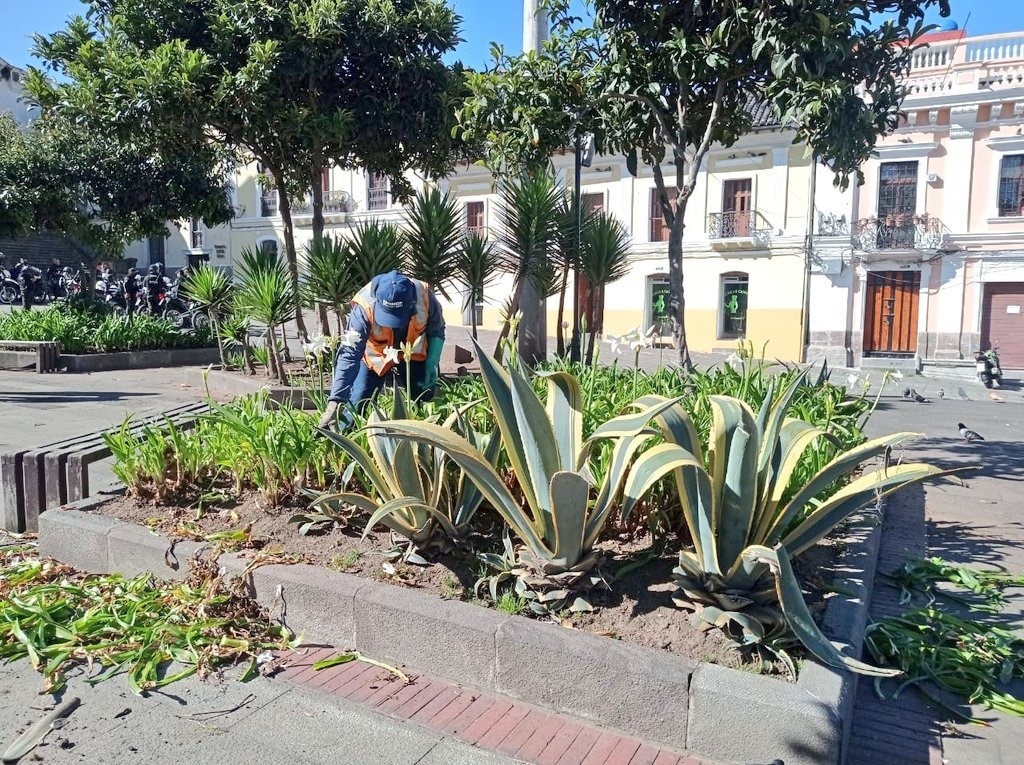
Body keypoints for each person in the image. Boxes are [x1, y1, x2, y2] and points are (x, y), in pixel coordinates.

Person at [318, 270, 445, 430]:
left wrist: (432, 363)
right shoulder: (364, 308)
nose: (391, 324)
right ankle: (345, 443)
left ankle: (427, 442)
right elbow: (349, 355)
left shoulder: (425, 296)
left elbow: (437, 330)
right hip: (375, 355)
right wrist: (335, 401)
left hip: (413, 353)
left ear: (411, 303)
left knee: (424, 396)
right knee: (358, 402)